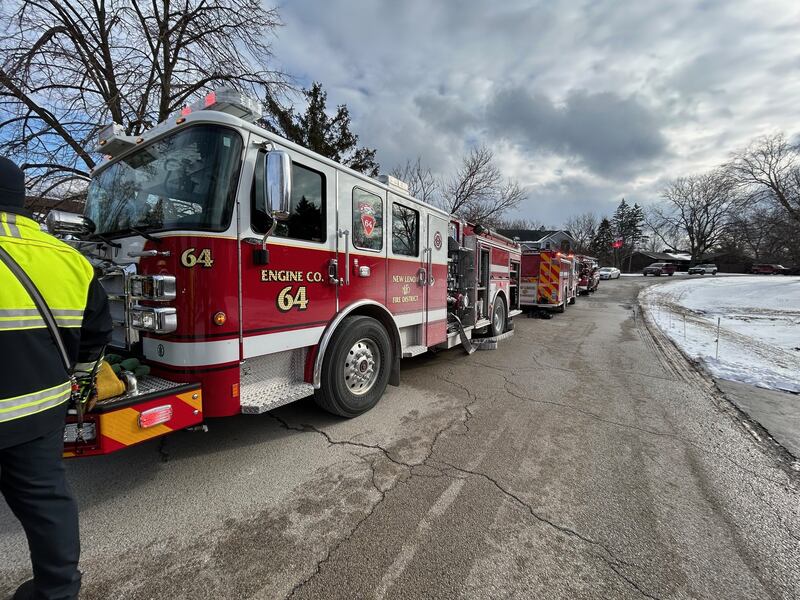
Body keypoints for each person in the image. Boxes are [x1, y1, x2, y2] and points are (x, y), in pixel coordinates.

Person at [0, 157, 112, 600]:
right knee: (48, 504)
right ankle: (59, 590)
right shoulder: (70, 259)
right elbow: (97, 334)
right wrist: (82, 385)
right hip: (41, 410)